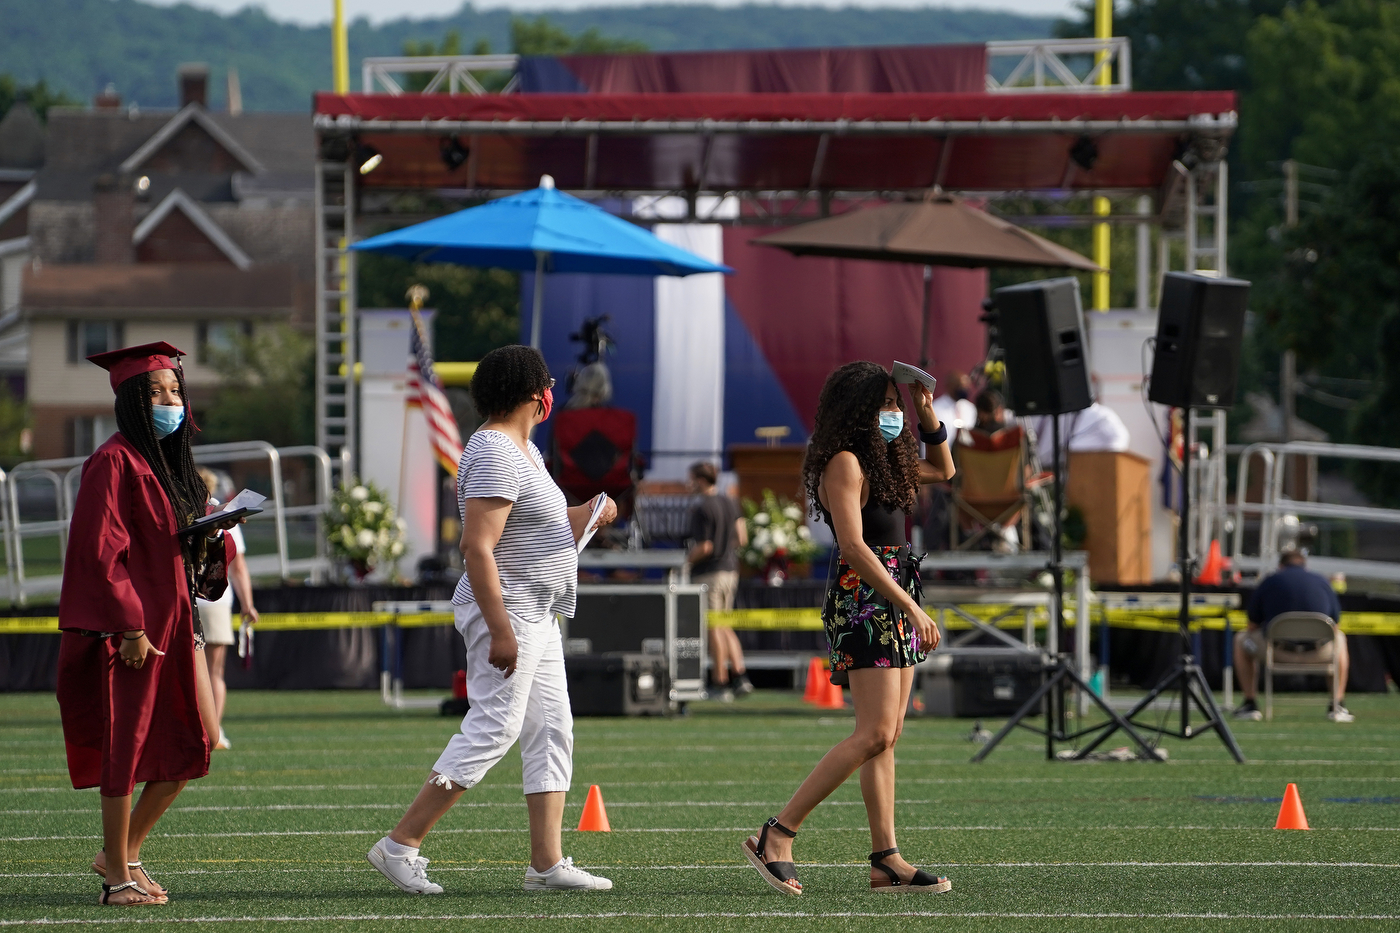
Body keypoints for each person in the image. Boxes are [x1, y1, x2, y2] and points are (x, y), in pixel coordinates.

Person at [368, 344, 618, 895]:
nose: (553, 394)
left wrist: (593, 509)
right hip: (510, 610)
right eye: (549, 386)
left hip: (538, 610)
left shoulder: (525, 451)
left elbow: (548, 526)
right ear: (536, 394)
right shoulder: (495, 450)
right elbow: (478, 547)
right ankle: (401, 843)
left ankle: (547, 864)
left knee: (551, 730)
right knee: (494, 727)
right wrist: (500, 629)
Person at [743, 360, 955, 896]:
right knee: (875, 732)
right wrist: (911, 607)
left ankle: (886, 860)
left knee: (889, 737)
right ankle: (779, 833)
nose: (892, 413)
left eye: (894, 403)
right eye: (884, 404)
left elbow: (945, 471)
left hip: (894, 592)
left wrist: (927, 415)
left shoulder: (889, 459)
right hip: (867, 597)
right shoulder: (844, 461)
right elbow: (855, 549)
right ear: (857, 408)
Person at [56, 342, 240, 906]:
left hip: (178, 625)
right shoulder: (113, 461)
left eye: (176, 391)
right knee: (126, 751)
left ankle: (121, 852)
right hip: (134, 633)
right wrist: (130, 627)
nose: (170, 400)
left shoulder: (171, 469)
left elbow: (178, 554)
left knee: (197, 742)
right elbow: (98, 552)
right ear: (133, 401)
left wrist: (213, 540)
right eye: (156, 392)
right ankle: (118, 880)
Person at [1233, 549, 1352, 722]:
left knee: (1240, 639)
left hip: (1275, 652)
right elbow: (1335, 626)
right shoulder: (1321, 582)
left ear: (1281, 566)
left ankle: (1250, 703)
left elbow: (1252, 626)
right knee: (1340, 638)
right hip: (1319, 654)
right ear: (1305, 565)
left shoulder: (1270, 582)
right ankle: (1337, 704)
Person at [194, 468, 258, 750]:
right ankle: (214, 731)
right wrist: (248, 604)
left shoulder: (184, 516)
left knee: (189, 670)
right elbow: (238, 568)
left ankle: (194, 728)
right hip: (216, 600)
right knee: (214, 671)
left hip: (188, 598)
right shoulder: (223, 518)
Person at [686, 461, 752, 700]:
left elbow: (705, 546)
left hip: (709, 573)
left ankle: (719, 680)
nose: (688, 483)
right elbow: (742, 538)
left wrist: (685, 562)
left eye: (691, 479)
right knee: (724, 624)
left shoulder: (703, 508)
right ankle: (740, 675)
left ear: (700, 480)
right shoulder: (730, 502)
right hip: (730, 570)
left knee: (714, 626)